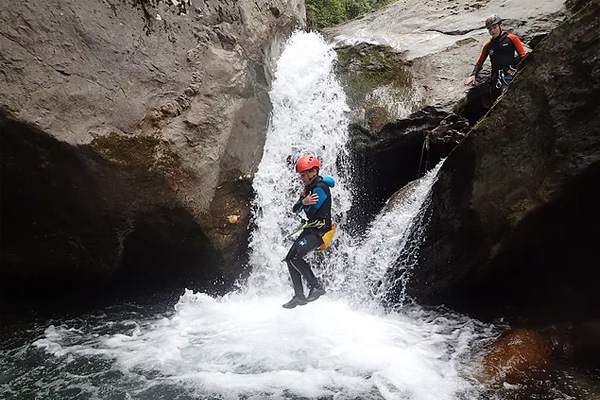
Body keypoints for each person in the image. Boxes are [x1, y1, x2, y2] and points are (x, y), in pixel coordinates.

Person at [282, 154, 332, 309]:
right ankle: (299, 295)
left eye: (304, 174)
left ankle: (316, 286)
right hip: (311, 229)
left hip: (320, 231)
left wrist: (303, 203)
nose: (302, 178)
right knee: (290, 258)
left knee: (296, 257)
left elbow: (311, 212)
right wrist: (303, 202)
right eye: (301, 175)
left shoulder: (321, 188)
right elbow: (295, 209)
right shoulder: (309, 189)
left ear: (314, 172)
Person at [464, 14, 527, 102]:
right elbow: (480, 62)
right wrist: (473, 75)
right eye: (490, 29)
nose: (493, 31)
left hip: (510, 75)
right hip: (495, 79)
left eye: (494, 27)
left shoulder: (511, 39)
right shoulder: (488, 46)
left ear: (500, 26)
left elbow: (523, 55)